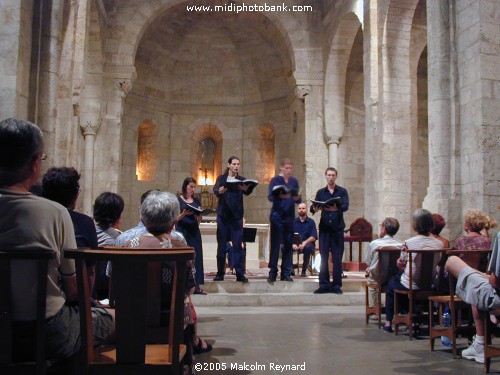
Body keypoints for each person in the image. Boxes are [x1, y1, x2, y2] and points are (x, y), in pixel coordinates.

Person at [0, 118, 113, 363]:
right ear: (34, 166)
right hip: (45, 332)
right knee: (106, 321)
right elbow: (74, 289)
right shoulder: (54, 213)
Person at [123, 190, 212, 355]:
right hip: (171, 315)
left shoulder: (128, 245)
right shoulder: (181, 248)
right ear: (173, 222)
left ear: (143, 218)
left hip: (133, 313)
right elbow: (189, 288)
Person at [443, 210, 494, 364]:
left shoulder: (461, 242)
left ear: (468, 225)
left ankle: (448, 327)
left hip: (464, 281)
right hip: (482, 276)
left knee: (449, 267)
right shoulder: (488, 241)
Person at [383, 208, 444, 332]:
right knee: (405, 280)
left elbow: (402, 264)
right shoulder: (439, 244)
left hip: (411, 284)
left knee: (392, 285)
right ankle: (413, 317)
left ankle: (389, 321)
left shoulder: (408, 243)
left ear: (415, 224)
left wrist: (399, 263)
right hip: (431, 284)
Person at [42, 167, 99, 296]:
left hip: (36, 297)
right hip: (69, 300)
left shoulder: (35, 219)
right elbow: (90, 270)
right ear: (75, 195)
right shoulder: (84, 223)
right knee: (112, 316)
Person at [213, 156, 256, 282]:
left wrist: (246, 188)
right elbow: (215, 189)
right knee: (221, 245)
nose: (236, 166)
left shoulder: (241, 180)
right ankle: (220, 272)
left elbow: (247, 192)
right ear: (228, 165)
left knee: (238, 246)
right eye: (234, 164)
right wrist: (219, 190)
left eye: (238, 164)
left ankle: (239, 273)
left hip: (236, 217)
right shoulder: (221, 178)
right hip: (223, 217)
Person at [311, 167, 349, 294]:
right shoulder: (321, 192)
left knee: (337, 257)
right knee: (324, 256)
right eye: (329, 175)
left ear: (336, 177)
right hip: (325, 229)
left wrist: (336, 207)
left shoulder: (342, 191)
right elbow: (312, 208)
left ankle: (337, 285)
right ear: (325, 176)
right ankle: (324, 285)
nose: (331, 177)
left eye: (333, 175)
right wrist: (315, 208)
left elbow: (345, 206)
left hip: (337, 229)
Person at [268, 158, 301, 282]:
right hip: (277, 217)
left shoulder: (294, 181)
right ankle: (273, 272)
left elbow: (297, 199)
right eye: (286, 168)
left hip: (289, 218)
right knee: (275, 245)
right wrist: (280, 195)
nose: (288, 170)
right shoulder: (275, 180)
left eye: (290, 168)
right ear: (282, 168)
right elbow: (270, 197)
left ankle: (286, 272)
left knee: (288, 245)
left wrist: (297, 197)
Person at [177, 177, 206, 294]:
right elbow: (175, 219)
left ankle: (197, 287)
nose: (193, 189)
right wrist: (184, 214)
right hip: (182, 231)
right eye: (191, 187)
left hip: (194, 231)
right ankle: (182, 286)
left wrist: (199, 217)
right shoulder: (178, 200)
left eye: (194, 187)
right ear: (185, 186)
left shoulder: (196, 200)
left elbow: (198, 221)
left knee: (197, 257)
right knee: (183, 257)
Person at [93, 191, 124, 299]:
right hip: (110, 293)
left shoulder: (88, 233)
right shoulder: (120, 238)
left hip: (89, 290)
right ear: (118, 214)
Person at [365, 217, 402, 307]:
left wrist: (370, 267)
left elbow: (368, 262)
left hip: (378, 277)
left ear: (384, 228)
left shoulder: (374, 244)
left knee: (371, 276)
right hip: (394, 277)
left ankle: (375, 307)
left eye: (381, 226)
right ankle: (393, 306)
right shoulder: (400, 244)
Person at [292, 202, 317, 277]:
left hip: (307, 243)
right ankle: (290, 268)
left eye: (303, 208)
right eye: (299, 208)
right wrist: (292, 244)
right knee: (284, 247)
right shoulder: (294, 222)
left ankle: (304, 269)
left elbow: (313, 236)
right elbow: (289, 235)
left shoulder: (311, 222)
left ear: (306, 210)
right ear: (297, 210)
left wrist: (304, 243)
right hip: (295, 243)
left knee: (307, 248)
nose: (301, 210)